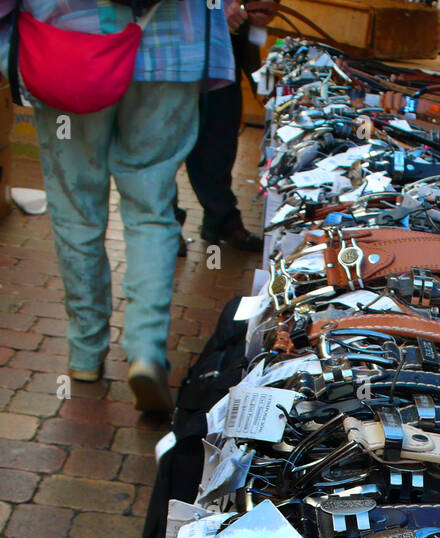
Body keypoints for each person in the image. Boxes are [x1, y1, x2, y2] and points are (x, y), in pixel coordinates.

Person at [0, 0, 235, 414]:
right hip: (169, 52)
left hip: (66, 47)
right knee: (151, 208)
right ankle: (145, 350)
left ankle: (86, 352)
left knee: (75, 209)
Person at [184, 0, 278, 250]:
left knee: (220, 139)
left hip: (227, 50)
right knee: (163, 147)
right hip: (177, 43)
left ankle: (221, 220)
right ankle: (165, 227)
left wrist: (259, 9)